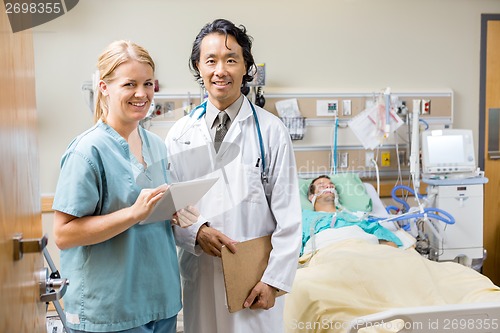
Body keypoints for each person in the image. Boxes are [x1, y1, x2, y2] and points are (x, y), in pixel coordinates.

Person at [165, 19, 302, 333]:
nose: (220, 70)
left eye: (231, 60)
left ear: (246, 68)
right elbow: (171, 206)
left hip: (253, 281)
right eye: (210, 60)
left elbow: (290, 217)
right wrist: (195, 231)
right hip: (200, 272)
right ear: (198, 68)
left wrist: (274, 281)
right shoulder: (179, 134)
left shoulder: (271, 131)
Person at [52, 40, 198, 333]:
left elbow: (151, 213)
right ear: (104, 87)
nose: (141, 94)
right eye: (129, 84)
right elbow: (64, 234)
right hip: (110, 309)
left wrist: (173, 211)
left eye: (148, 83)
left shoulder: (156, 145)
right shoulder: (87, 151)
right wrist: (134, 214)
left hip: (160, 300)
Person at [301, 175, 402, 255]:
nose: (329, 186)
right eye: (321, 185)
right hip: (327, 251)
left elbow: (378, 232)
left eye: (331, 185)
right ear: (311, 196)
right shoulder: (306, 217)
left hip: (363, 250)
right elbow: (295, 243)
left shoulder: (353, 217)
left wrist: (391, 250)